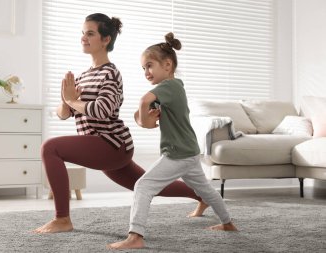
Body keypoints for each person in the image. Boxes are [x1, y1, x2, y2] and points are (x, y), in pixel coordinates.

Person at [33, 14, 208, 234]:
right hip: (102, 145)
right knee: (146, 185)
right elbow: (63, 114)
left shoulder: (111, 74)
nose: (83, 38)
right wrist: (66, 100)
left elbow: (101, 111)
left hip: (111, 144)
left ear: (106, 39)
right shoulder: (83, 76)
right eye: (82, 33)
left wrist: (71, 100)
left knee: (50, 148)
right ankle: (202, 195)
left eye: (90, 33)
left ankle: (62, 219)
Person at [107, 32, 237, 250]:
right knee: (205, 190)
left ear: (167, 65)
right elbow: (143, 115)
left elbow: (144, 101)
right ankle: (228, 223)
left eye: (149, 66)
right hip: (189, 151)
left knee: (143, 186)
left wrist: (144, 118)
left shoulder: (167, 87)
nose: (146, 72)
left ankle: (135, 235)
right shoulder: (173, 88)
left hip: (178, 152)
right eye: (143, 68)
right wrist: (143, 119)